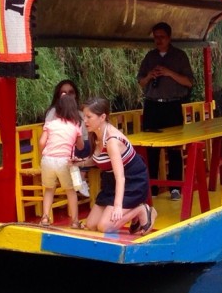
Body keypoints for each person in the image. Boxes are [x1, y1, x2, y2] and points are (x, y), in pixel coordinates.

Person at [76, 97, 155, 234]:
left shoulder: (112, 141)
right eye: (84, 117)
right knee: (91, 224)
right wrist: (80, 162)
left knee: (104, 226)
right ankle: (133, 216)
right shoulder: (96, 134)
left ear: (102, 117)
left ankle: (142, 210)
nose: (85, 121)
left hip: (132, 181)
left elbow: (121, 177)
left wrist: (118, 206)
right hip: (110, 182)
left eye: (89, 117)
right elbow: (100, 159)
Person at [137, 22, 193, 200]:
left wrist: (169, 73)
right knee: (151, 149)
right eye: (155, 37)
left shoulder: (179, 56)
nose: (158, 40)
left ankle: (175, 188)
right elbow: (141, 82)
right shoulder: (150, 57)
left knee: (175, 148)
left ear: (169, 37)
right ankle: (151, 189)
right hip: (152, 105)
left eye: (161, 37)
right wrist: (149, 76)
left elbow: (189, 82)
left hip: (172, 106)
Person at [38, 93, 85, 228]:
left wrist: (44, 154)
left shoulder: (50, 123)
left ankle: (45, 218)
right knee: (70, 191)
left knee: (49, 189)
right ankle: (75, 222)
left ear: (58, 109)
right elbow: (80, 146)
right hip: (65, 161)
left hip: (48, 160)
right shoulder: (76, 125)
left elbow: (42, 142)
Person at [46, 79, 90, 197]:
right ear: (58, 96)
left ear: (75, 95)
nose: (67, 96)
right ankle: (80, 182)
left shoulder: (80, 115)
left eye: (71, 92)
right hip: (59, 153)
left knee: (89, 145)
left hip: (76, 152)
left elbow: (84, 139)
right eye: (63, 93)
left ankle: (80, 180)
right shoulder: (53, 113)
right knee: (87, 147)